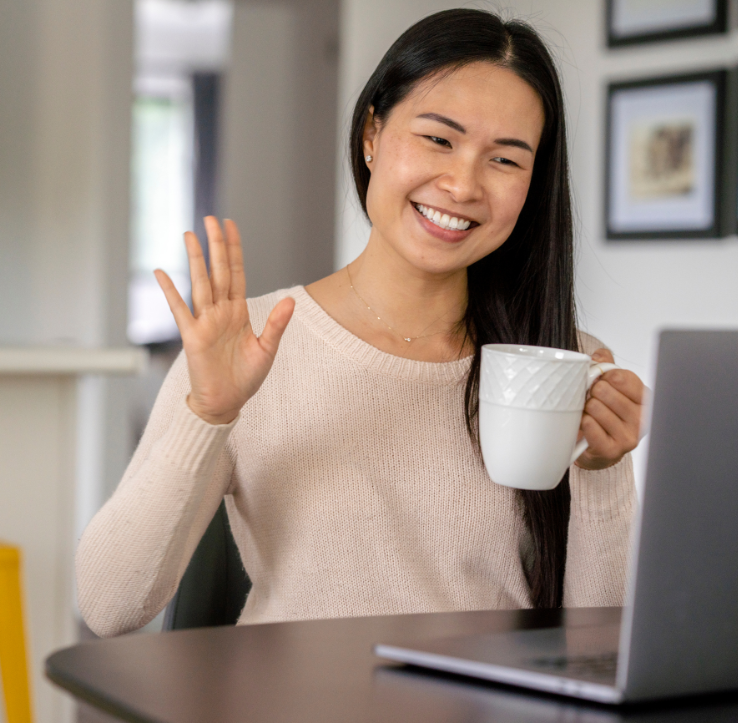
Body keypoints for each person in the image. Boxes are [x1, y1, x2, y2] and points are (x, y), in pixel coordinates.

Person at [76, 8, 646, 638]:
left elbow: (599, 644)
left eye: (505, 160)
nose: (462, 184)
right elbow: (110, 607)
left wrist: (602, 471)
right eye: (438, 139)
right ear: (372, 133)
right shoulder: (249, 345)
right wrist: (206, 412)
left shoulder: (562, 365)